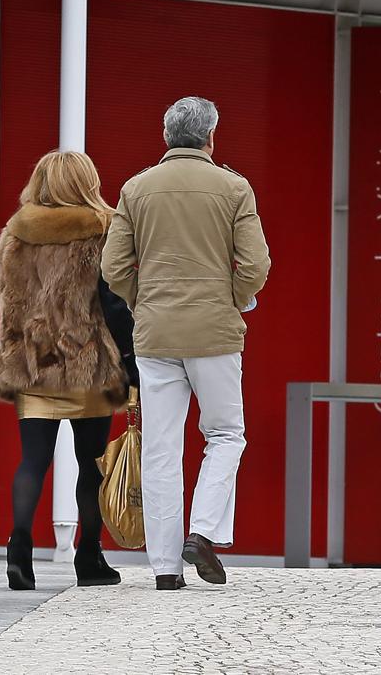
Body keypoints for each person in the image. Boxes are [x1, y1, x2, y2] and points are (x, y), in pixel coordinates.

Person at [103, 96, 270, 592]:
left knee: (160, 447)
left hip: (154, 334)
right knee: (225, 434)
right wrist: (232, 299)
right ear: (211, 137)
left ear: (165, 137)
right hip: (215, 333)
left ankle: (164, 568)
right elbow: (256, 265)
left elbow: (113, 269)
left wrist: (144, 300)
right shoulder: (234, 188)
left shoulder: (135, 188)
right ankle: (202, 531)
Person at [0, 151, 137, 590]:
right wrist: (129, 362)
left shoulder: (16, 233)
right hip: (88, 364)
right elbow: (113, 306)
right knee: (88, 464)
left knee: (32, 462)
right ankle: (88, 557)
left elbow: (9, 305)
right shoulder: (103, 230)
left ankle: (19, 553)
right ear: (86, 181)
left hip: (34, 365)